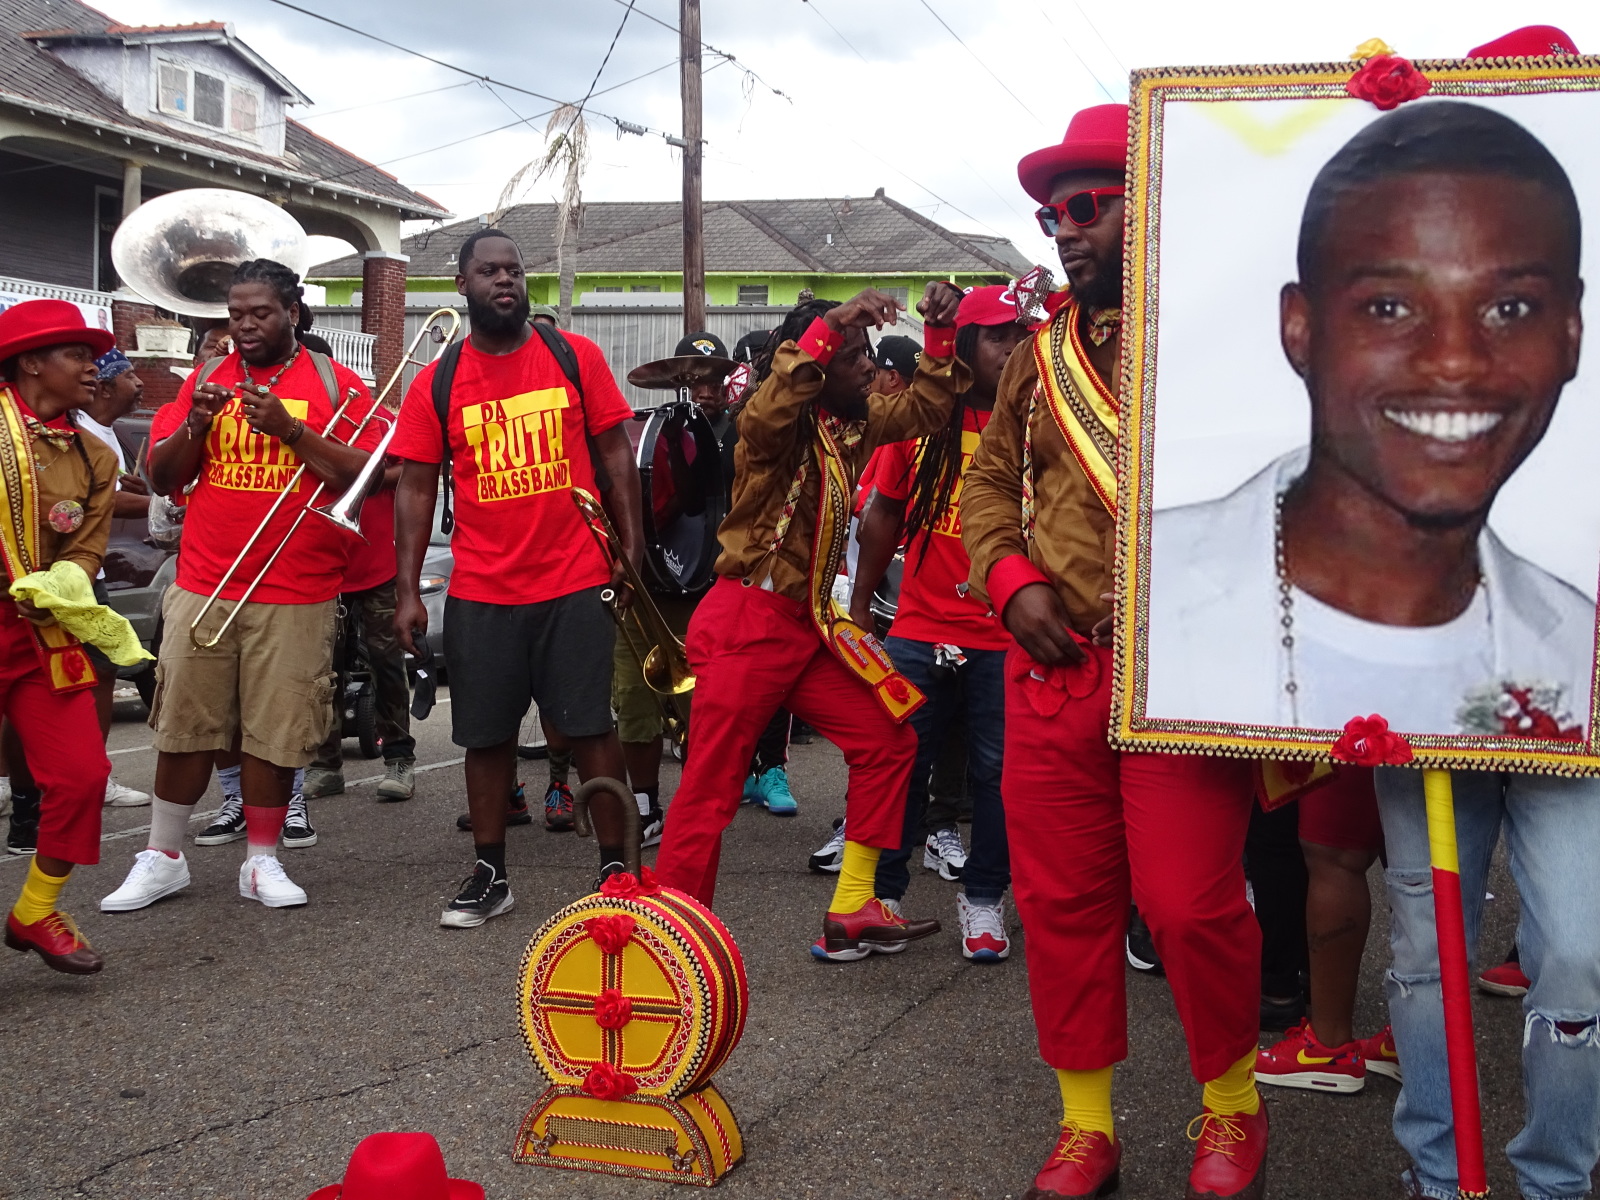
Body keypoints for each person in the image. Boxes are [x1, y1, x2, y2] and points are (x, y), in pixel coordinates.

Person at [961, 103, 1267, 1198]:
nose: (1067, 231)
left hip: (1181, 672)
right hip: (1052, 674)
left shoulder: (1227, 340)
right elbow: (987, 487)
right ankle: (1085, 1123)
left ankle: (1232, 1108)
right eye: (1053, 218)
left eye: (1090, 207)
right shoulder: (1034, 361)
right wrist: (1010, 581)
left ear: (1150, 207)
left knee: (1189, 905)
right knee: (1062, 904)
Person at [1147, 99, 1591, 737]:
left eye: (1512, 308)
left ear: (1572, 332)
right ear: (1300, 330)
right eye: (1388, 307)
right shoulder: (1153, 594)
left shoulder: (1577, 644)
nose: (1456, 362)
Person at [1370, 25, 1600, 1200]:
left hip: (1579, 705)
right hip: (1420, 692)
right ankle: (1435, 1173)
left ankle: (1554, 1180)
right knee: (1423, 948)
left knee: (1578, 955)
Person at [651, 281, 965, 963]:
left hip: (806, 625)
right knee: (711, 788)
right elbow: (766, 414)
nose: (866, 365)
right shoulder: (769, 427)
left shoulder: (851, 423)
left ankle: (854, 905)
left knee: (890, 739)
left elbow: (929, 407)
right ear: (814, 369)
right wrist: (830, 328)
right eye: (851, 356)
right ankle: (672, 941)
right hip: (747, 621)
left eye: (864, 353)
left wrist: (940, 335)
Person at [100, 259, 379, 914]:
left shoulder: (336, 384)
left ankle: (261, 860)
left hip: (298, 587)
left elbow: (369, 471)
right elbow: (165, 479)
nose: (247, 326)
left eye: (261, 313)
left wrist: (289, 429)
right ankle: (162, 857)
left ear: (293, 312)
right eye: (236, 314)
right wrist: (195, 423)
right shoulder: (204, 379)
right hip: (206, 581)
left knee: (274, 730)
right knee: (184, 722)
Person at [390, 227, 641, 927]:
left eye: (514, 269)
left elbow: (617, 457)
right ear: (463, 286)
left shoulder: (574, 356)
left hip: (575, 577)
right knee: (486, 737)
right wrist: (408, 591)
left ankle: (617, 871)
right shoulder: (437, 381)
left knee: (592, 726)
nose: (505, 280)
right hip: (483, 591)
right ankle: (491, 873)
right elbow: (414, 489)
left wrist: (632, 546)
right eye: (489, 271)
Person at [850, 285, 1026, 962]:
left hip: (1005, 634)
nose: (1012, 349)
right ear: (966, 345)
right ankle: (883, 897)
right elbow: (883, 514)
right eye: (997, 336)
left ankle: (983, 900)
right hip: (919, 629)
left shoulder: (1042, 423)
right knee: (898, 764)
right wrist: (864, 604)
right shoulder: (925, 423)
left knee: (999, 776)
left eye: (1020, 335)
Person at [0, 300, 119, 973]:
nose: (92, 367)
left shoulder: (95, 455)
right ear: (30, 363)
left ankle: (35, 911)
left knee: (83, 775)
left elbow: (87, 548)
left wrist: (65, 581)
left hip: (41, 631)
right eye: (75, 354)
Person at [1253, 768, 1399, 1093]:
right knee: (1424, 854)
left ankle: (1328, 1047)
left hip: (1349, 722)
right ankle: (1419, 1038)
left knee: (1336, 854)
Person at [301, 448, 416, 803]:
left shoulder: (380, 424)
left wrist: (369, 477)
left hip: (378, 563)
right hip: (323, 564)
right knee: (324, 668)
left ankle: (399, 758)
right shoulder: (306, 422)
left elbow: (410, 470)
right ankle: (324, 764)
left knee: (386, 659)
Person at [74, 348, 152, 807]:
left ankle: (94, 776)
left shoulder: (110, 433)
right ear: (103, 386)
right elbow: (98, 498)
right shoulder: (77, 430)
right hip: (72, 575)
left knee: (101, 674)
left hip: (92, 569)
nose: (140, 383)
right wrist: (160, 507)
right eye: (129, 375)